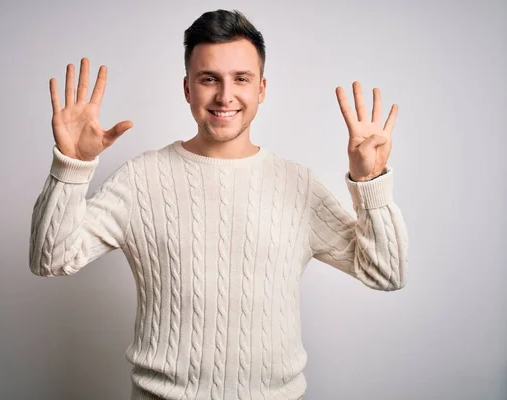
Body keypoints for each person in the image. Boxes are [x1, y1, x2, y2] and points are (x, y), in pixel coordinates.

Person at [28, 9, 408, 400]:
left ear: (261, 88)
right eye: (209, 79)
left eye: (240, 79)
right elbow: (50, 259)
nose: (225, 96)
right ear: (187, 89)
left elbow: (386, 273)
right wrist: (71, 165)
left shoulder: (298, 184)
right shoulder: (141, 178)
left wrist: (370, 183)